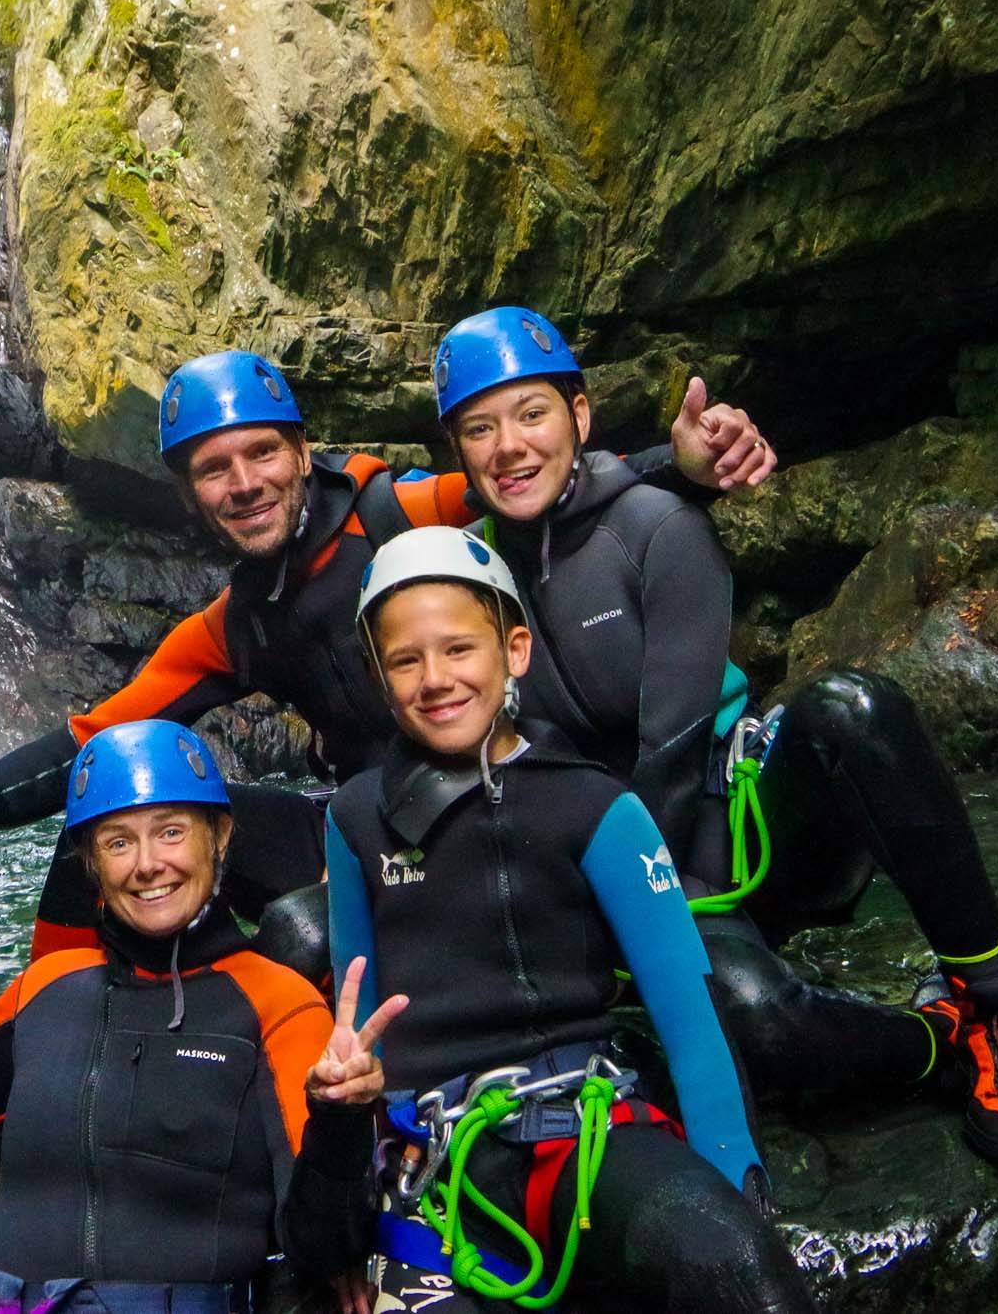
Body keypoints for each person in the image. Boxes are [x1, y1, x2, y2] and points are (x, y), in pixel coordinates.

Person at [0, 351, 776, 970]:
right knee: (106, 819)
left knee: (302, 929)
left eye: (261, 453)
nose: (243, 482)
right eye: (214, 468)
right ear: (189, 495)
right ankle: (53, 1024)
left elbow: (542, 481)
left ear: (301, 452)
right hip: (366, 829)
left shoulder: (399, 512)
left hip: (501, 812)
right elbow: (92, 738)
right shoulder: (230, 627)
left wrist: (682, 464)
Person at [431, 304, 998, 1168]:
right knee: (757, 1017)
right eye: (478, 427)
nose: (508, 445)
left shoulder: (658, 526)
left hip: (733, 837)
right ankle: (934, 1039)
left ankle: (997, 995)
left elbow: (669, 754)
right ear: (456, 449)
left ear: (579, 415)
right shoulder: (469, 576)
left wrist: (620, 928)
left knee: (850, 708)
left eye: (532, 412)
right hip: (633, 872)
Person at [327, 524, 812, 1314]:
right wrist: (349, 1213)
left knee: (724, 1262)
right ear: (380, 678)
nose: (434, 678)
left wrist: (735, 1183)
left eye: (459, 649)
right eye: (404, 660)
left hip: (585, 1130)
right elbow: (354, 1028)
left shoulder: (598, 805)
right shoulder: (353, 819)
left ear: (514, 650)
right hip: (432, 1162)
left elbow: (686, 1013)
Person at [0, 719, 400, 1313]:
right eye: (118, 841)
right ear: (91, 863)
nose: (148, 863)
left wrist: (340, 1120)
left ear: (220, 836)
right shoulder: (50, 984)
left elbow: (323, 1247)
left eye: (172, 831)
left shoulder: (278, 1004)